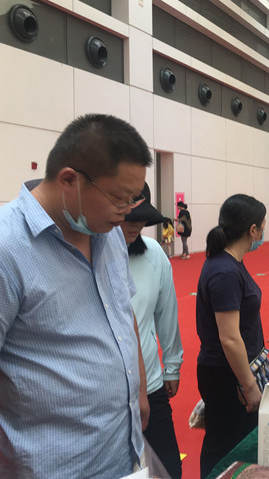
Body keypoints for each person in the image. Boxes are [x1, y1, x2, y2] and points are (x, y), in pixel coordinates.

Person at [0, 114, 152, 478]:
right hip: (55, 467)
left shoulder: (107, 232)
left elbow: (123, 311)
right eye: (119, 199)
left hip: (122, 453)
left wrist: (138, 393)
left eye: (133, 200)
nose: (126, 214)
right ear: (69, 180)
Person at [196, 194, 269, 477]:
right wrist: (249, 386)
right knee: (225, 446)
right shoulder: (225, 271)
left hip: (234, 371)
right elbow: (229, 338)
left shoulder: (230, 263)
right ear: (252, 230)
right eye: (262, 227)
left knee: (234, 440)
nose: (262, 233)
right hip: (228, 375)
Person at [121, 183, 184, 479]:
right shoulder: (90, 257)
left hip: (151, 387)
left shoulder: (154, 253)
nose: (138, 224)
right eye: (130, 217)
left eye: (143, 218)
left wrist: (172, 365)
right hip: (108, 397)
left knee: (168, 469)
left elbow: (166, 311)